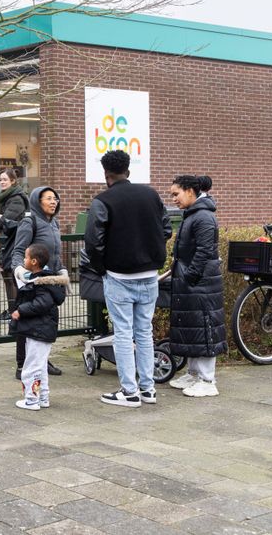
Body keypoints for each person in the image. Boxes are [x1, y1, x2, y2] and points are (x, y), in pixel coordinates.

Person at [85, 150, 170, 408]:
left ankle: (129, 391)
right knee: (144, 332)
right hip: (149, 274)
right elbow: (166, 228)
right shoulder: (151, 195)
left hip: (119, 275)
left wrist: (102, 268)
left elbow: (93, 242)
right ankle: (148, 389)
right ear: (128, 171)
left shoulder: (103, 201)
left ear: (106, 175)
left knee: (123, 333)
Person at [167, 175, 224, 397]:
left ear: (190, 191)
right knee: (193, 326)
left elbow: (204, 251)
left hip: (201, 283)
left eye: (176, 193)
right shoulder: (194, 214)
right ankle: (193, 373)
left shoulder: (203, 217)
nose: (174, 199)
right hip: (192, 281)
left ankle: (208, 381)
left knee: (205, 325)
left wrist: (190, 276)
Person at [10, 185, 64, 379]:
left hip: (49, 279)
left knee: (45, 320)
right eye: (48, 198)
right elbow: (18, 251)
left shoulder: (54, 223)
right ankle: (21, 364)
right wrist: (20, 273)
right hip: (32, 280)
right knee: (28, 321)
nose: (53, 202)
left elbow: (55, 252)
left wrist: (61, 269)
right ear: (37, 202)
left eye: (55, 198)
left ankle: (41, 360)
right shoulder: (29, 221)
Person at [10, 243, 69, 411]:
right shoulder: (43, 281)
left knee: (31, 367)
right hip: (40, 329)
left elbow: (41, 303)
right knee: (40, 365)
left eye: (26, 257)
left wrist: (20, 311)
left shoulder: (41, 283)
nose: (24, 260)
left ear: (34, 261)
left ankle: (31, 399)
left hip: (39, 330)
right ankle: (43, 397)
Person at [0, 168, 29, 321]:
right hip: (3, 240)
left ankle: (14, 311)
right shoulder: (1, 198)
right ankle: (12, 309)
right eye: (1, 179)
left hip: (13, 241)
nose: (2, 182)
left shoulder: (17, 198)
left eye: (5, 179)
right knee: (6, 276)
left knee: (11, 276)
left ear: (12, 181)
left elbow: (5, 221)